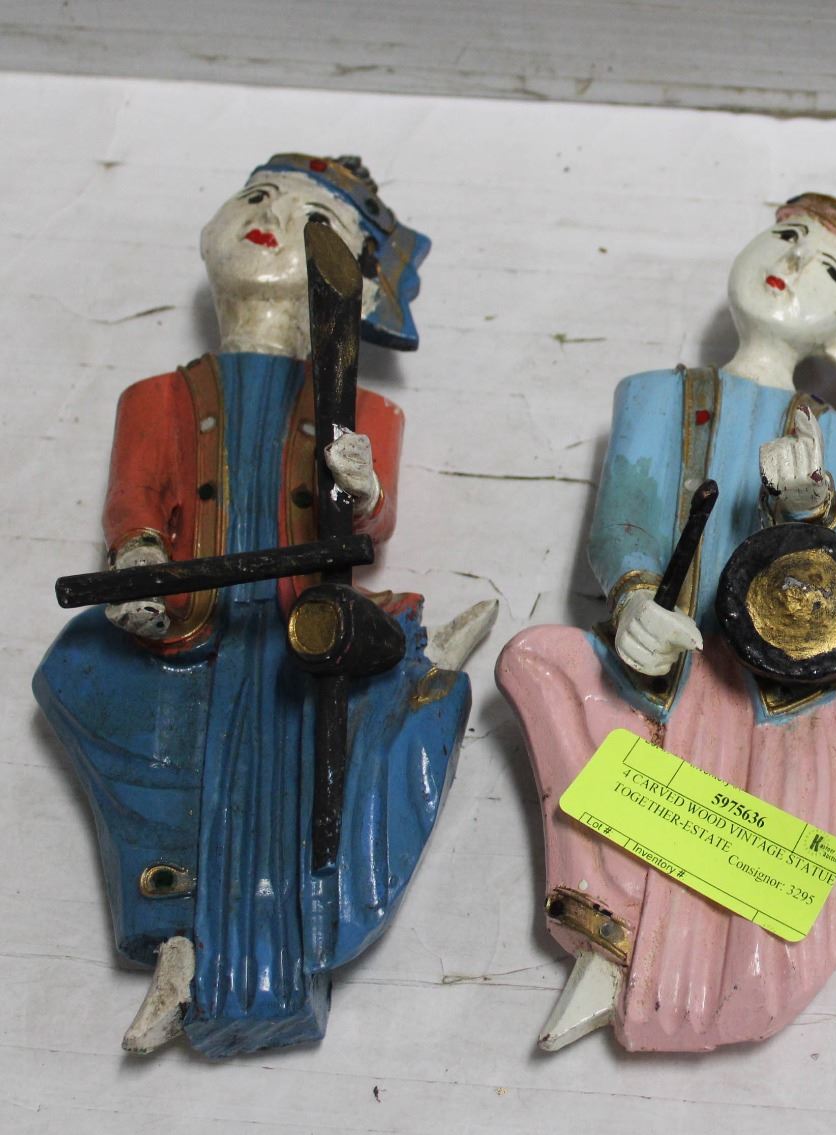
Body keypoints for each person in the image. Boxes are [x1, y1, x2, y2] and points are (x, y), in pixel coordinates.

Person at [33, 154, 496, 1057]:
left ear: (359, 288)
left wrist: (359, 485)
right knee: (80, 674)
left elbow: (369, 523)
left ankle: (297, 929)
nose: (272, 218)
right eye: (257, 197)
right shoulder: (157, 396)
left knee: (328, 742)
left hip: (299, 624)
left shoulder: (363, 410)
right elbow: (134, 500)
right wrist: (138, 561)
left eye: (312, 220)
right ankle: (171, 926)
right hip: (189, 618)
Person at [496, 193, 836, 1052]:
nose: (791, 264)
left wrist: (804, 505)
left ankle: (675, 954)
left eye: (828, 272)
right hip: (664, 654)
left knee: (806, 766)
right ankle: (615, 918)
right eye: (786, 237)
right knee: (536, 659)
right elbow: (625, 514)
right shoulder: (657, 393)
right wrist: (634, 600)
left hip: (776, 692)